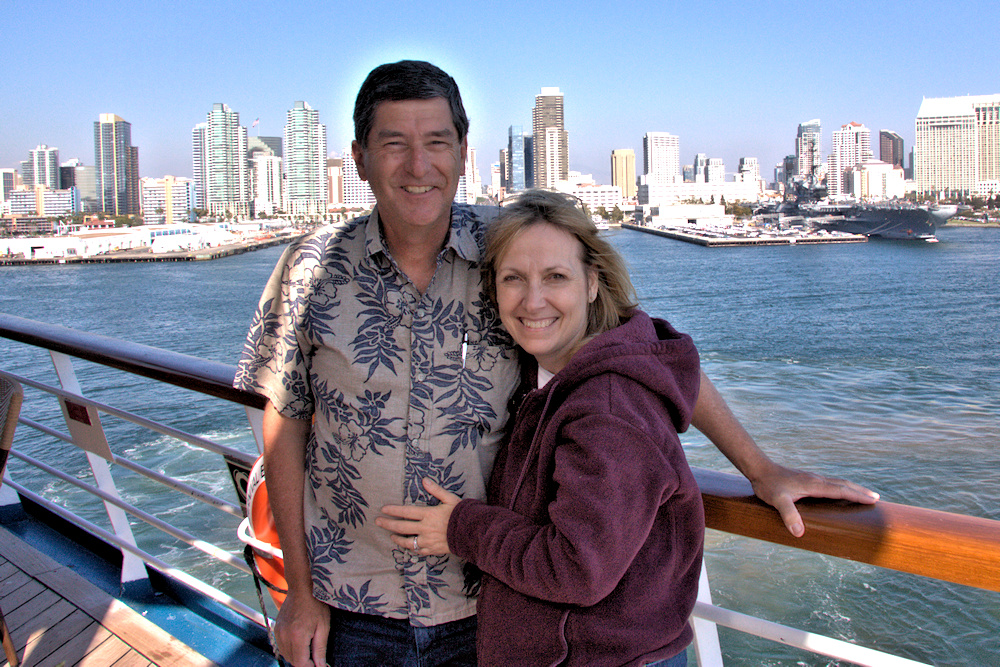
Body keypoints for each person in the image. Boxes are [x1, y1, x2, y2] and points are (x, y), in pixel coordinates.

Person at [236, 60, 878, 667]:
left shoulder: (511, 251)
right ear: (360, 157)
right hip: (349, 604)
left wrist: (759, 468)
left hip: (486, 604)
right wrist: (300, 588)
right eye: (393, 143)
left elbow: (645, 354)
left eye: (436, 141)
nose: (417, 164)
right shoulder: (312, 269)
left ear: (463, 151)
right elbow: (283, 416)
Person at [376, 189, 700, 666]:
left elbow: (578, 567)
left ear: (592, 282)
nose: (533, 300)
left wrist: (461, 528)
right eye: (513, 279)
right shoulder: (548, 370)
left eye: (555, 277)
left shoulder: (609, 407)